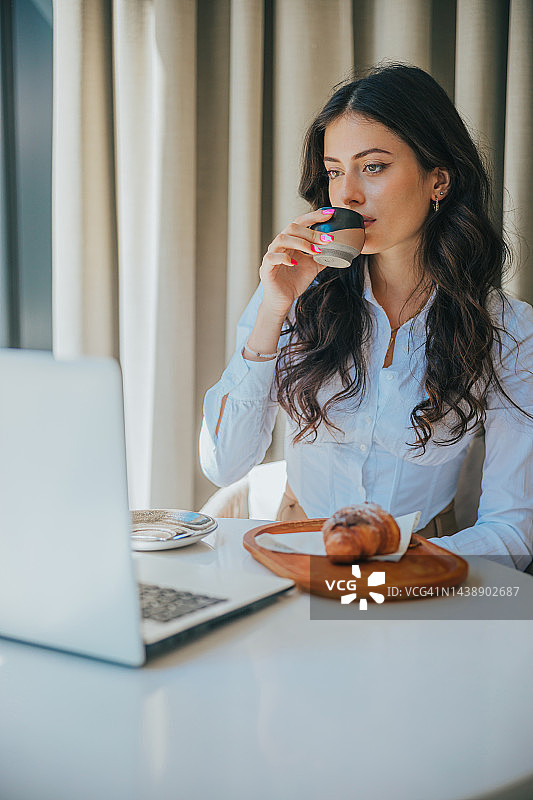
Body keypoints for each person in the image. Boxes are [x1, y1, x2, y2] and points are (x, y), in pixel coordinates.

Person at [199, 63, 533, 571]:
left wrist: (395, 568)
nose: (347, 195)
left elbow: (514, 529)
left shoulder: (506, 329)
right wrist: (272, 310)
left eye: (372, 166)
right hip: (296, 548)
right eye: (335, 171)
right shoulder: (297, 292)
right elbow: (223, 465)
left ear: (437, 180)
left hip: (424, 563)